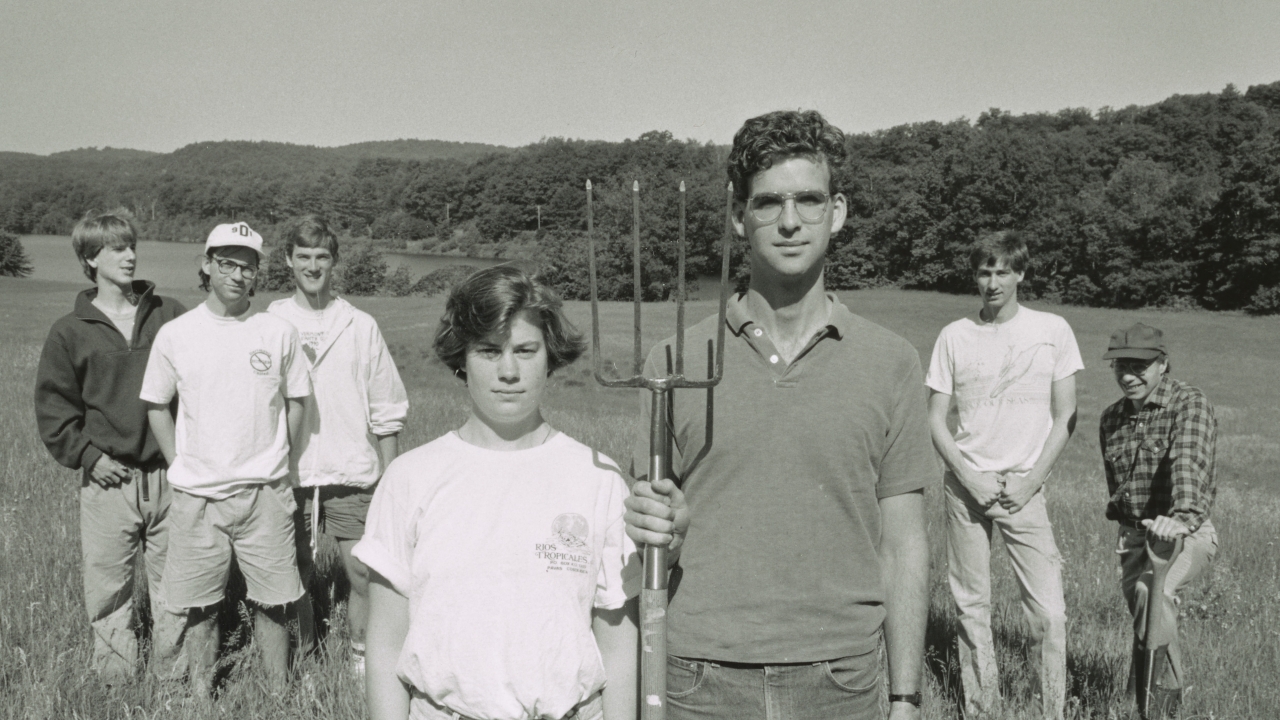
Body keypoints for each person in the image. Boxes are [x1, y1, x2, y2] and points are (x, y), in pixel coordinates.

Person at [623, 110, 934, 720]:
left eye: (809, 200)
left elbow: (904, 544)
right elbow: (651, 536)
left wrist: (905, 697)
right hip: (698, 678)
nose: (790, 221)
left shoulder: (891, 362)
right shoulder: (675, 361)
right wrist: (661, 526)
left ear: (837, 212)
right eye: (768, 203)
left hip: (840, 679)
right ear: (740, 217)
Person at [356, 266, 640, 720]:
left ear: (551, 357)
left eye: (526, 351)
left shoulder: (597, 476)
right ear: (461, 359)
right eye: (489, 351)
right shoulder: (410, 477)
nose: (509, 371)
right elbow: (386, 637)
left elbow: (618, 638)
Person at [140, 221, 311, 697]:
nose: (238, 275)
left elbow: (298, 400)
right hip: (198, 495)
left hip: (265, 493)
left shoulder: (277, 332)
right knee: (200, 606)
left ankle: (278, 694)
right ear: (207, 265)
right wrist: (178, 462)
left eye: (248, 266)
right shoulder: (177, 334)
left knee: (274, 602)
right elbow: (156, 404)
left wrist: (284, 460)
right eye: (228, 264)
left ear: (257, 274)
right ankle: (200, 696)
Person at [924, 231, 1081, 719]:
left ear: (1020, 274)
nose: (992, 282)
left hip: (1023, 489)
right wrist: (967, 477)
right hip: (966, 488)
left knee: (1049, 614)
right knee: (972, 608)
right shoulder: (955, 335)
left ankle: (1052, 709)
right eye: (984, 272)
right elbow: (935, 418)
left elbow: (1066, 415)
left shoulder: (1052, 329)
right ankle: (982, 708)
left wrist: (1030, 481)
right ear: (975, 276)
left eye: (1002, 272)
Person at [34, 210, 186, 684]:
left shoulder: (170, 313)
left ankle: (174, 684)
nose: (130, 255)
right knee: (108, 591)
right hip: (107, 480)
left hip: (170, 476)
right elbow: (55, 408)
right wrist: (89, 457)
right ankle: (115, 685)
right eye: (116, 248)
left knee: (174, 589)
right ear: (89, 258)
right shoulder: (70, 330)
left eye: (131, 245)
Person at [267, 215, 408, 673]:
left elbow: (386, 405)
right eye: (303, 257)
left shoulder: (359, 324)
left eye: (322, 257)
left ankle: (362, 659)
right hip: (293, 472)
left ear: (334, 262)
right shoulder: (271, 321)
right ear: (288, 260)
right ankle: (304, 656)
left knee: (364, 574)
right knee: (295, 573)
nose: (312, 266)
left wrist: (389, 478)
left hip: (352, 471)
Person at [1098, 323, 1218, 720]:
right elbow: (1120, 486)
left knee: (1153, 595)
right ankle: (1166, 700)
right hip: (1136, 538)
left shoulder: (1188, 403)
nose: (1128, 376)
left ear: (1162, 363)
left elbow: (1188, 462)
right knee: (1147, 615)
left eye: (1140, 366)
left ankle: (1153, 703)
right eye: (1120, 367)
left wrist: (1179, 518)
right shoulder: (1111, 418)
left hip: (1186, 533)